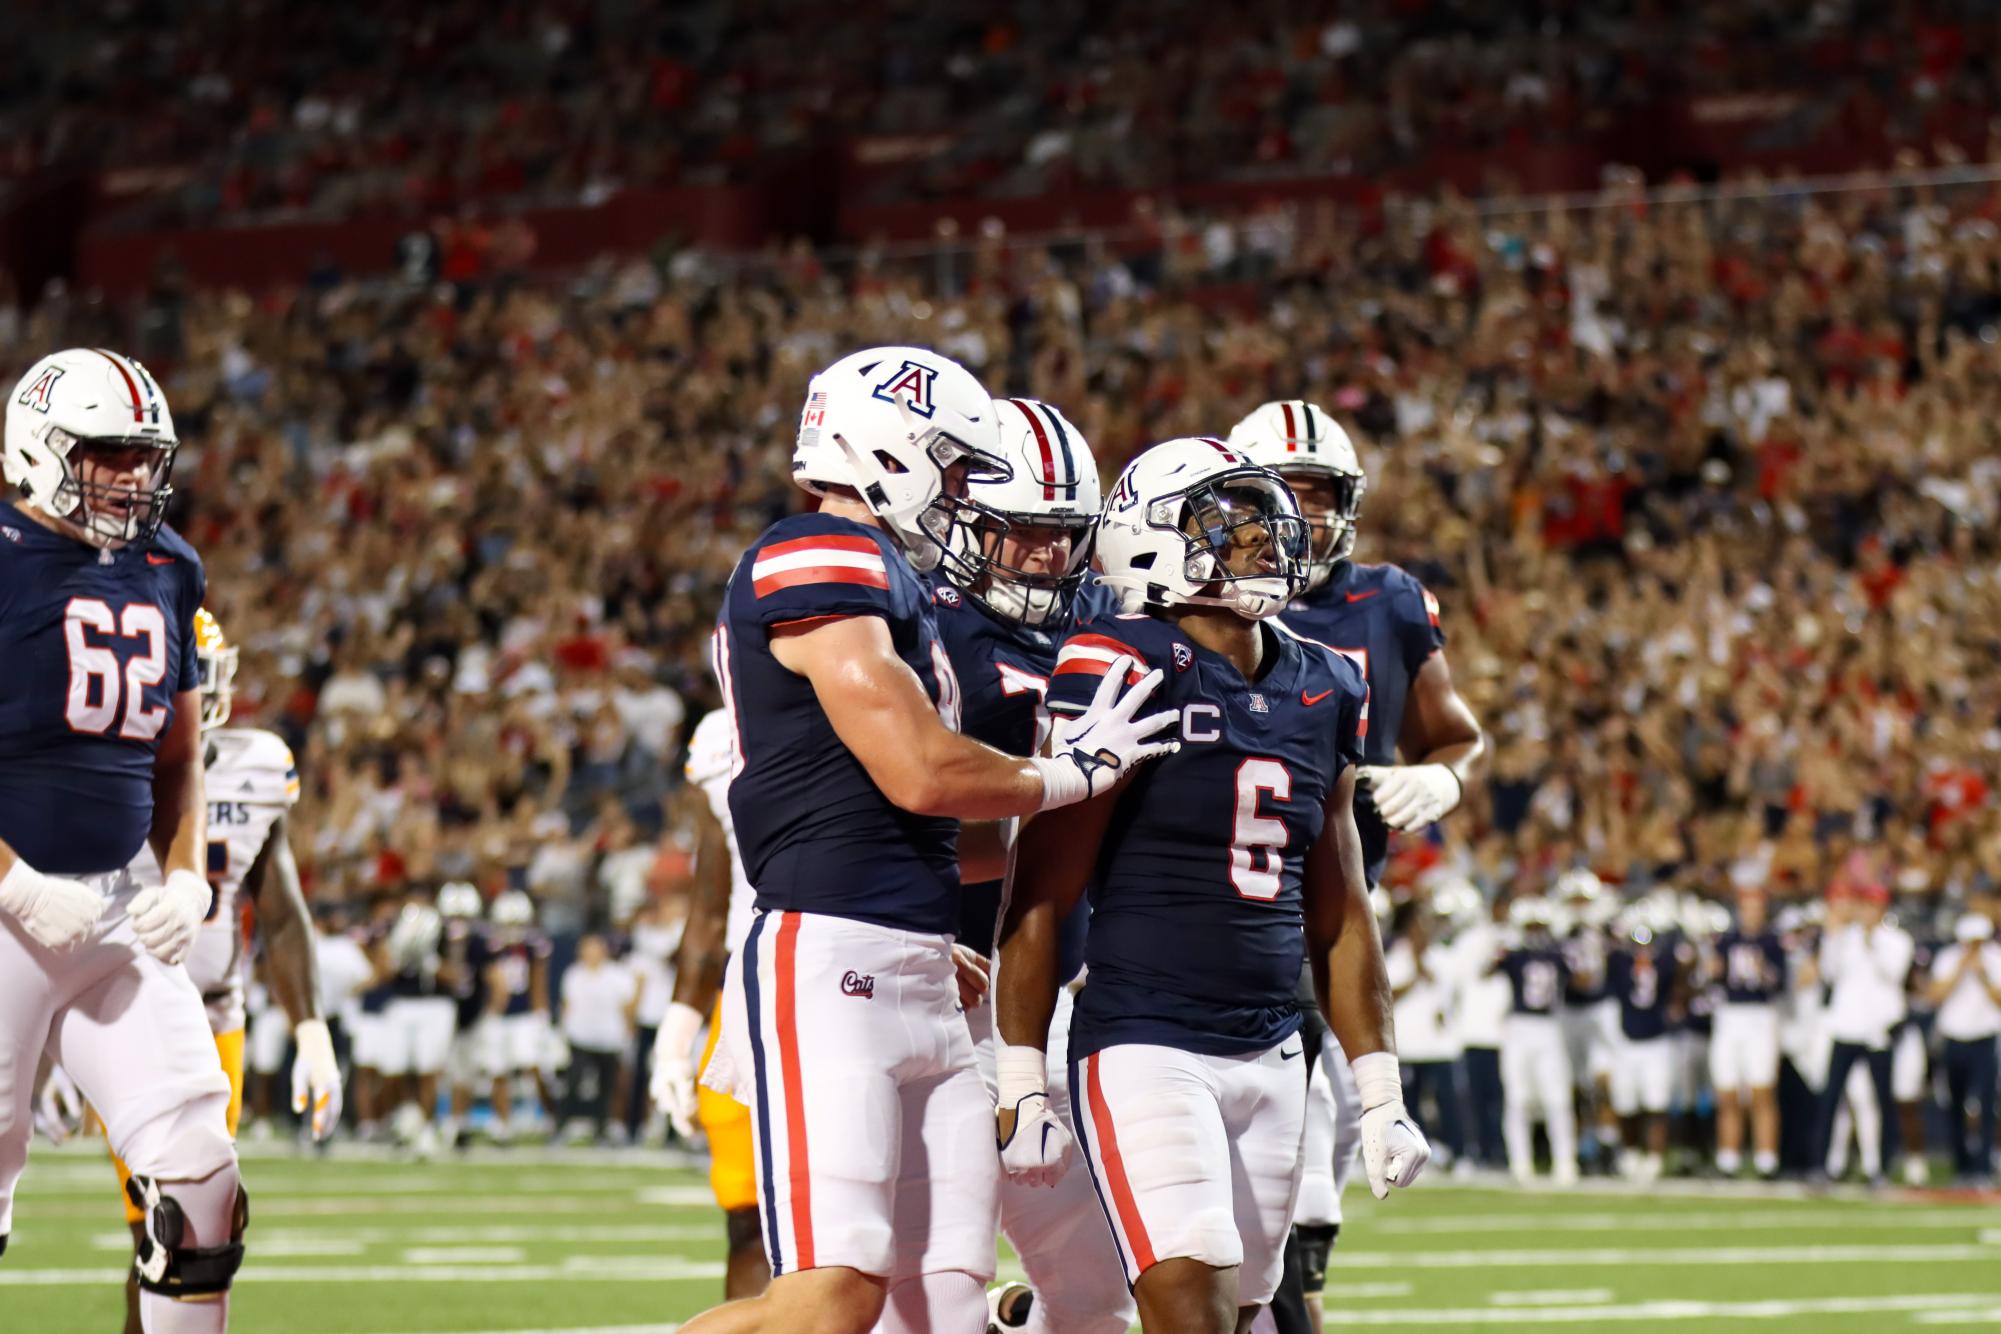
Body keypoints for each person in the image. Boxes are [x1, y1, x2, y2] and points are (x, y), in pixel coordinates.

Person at [682, 347, 1177, 1334]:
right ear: (889, 451)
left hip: (925, 972)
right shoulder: (814, 554)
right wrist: (1071, 772)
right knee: (829, 1298)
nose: (960, 494)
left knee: (943, 1307)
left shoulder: (889, 582)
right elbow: (921, 770)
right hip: (832, 956)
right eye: (952, 465)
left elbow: (955, 832)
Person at [997, 437, 1428, 1334]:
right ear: (1151, 538)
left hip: (1272, 1048)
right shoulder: (1119, 662)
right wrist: (1021, 1077)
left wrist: (1379, 1090)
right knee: (1184, 1305)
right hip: (1146, 1042)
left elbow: (1341, 905)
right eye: (1229, 518)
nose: (1264, 538)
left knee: (1238, 1315)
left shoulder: (1326, 680)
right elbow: (1044, 887)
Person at [0, 347, 248, 1332]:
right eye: (108, 455)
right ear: (41, 445)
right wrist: (14, 882)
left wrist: (185, 877)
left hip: (114, 905)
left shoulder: (168, 564)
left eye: (145, 457)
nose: (134, 478)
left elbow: (182, 753)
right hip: (6, 911)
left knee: (203, 1189)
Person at [1229, 400, 1482, 1331]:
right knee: (1269, 1172)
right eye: (1286, 493)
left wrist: (1442, 783)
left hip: (1340, 910)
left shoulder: (1386, 598)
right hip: (1228, 912)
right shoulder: (1195, 603)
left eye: (1321, 494)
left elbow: (1453, 735)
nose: (1307, 515)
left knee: (1326, 1162)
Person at [918, 397, 1133, 1334]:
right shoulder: (921, 623)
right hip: (940, 989)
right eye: (1024, 535)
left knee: (1096, 1293)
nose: (1050, 557)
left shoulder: (1104, 615)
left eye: (1063, 535)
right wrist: (1053, 785)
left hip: (1062, 992)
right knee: (923, 1281)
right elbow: (916, 811)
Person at [102, 607, 339, 1330]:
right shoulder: (97, 770)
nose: (196, 701)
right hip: (121, 1016)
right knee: (168, 1229)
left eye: (203, 681)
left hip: (214, 1016)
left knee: (200, 1232)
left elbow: (279, 907)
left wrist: (311, 1032)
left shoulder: (257, 765)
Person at [651, 707, 768, 1296]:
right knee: (748, 1220)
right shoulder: (722, 735)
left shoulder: (879, 689)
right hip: (750, 994)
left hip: (857, 978)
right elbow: (710, 902)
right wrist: (675, 1037)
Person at [1812, 880, 1913, 1184]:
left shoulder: (1897, 940)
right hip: (1845, 1028)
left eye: (1871, 905)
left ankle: (1878, 1167)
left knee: (1881, 1101)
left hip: (1878, 1032)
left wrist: (1872, 941)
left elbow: (1893, 974)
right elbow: (1829, 973)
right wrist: (1832, 938)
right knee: (1832, 1100)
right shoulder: (1844, 938)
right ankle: (1824, 1165)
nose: (1865, 911)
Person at [1493, 896, 1577, 1186]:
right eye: (1531, 926)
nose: (1535, 932)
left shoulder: (1557, 955)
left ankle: (1565, 1162)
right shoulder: (1515, 954)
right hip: (1520, 1026)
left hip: (1549, 1026)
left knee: (1557, 1098)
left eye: (1539, 926)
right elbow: (1487, 968)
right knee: (1518, 1098)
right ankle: (1521, 1163)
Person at [1708, 884, 1787, 1179]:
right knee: (1727, 1091)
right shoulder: (1726, 941)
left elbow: (1780, 983)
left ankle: (1767, 1159)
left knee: (1761, 1091)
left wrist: (1763, 968)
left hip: (1760, 1016)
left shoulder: (1772, 942)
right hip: (1730, 1015)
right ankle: (1727, 1158)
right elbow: (1712, 979)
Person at [1605, 911, 1684, 1183]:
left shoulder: (1666, 962)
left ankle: (1654, 1158)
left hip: (1656, 1041)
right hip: (1626, 1041)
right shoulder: (1618, 961)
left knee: (1656, 1103)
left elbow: (1681, 984)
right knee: (1626, 1104)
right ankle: (1629, 1154)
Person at [1928, 913, 2001, 1185]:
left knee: (1985, 1104)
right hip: (1953, 1037)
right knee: (1954, 1103)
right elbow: (1935, 996)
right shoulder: (1948, 958)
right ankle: (1961, 1167)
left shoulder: (1995, 958)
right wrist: (1961, 969)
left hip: (1984, 1038)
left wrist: (1981, 974)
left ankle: (1982, 1168)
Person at [480, 889, 556, 1142]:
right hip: (498, 1016)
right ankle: (503, 1124)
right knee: (498, 1071)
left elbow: (539, 981)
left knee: (535, 1067)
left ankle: (551, 1117)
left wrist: (542, 1015)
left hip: (525, 1015)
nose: (512, 929)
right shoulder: (490, 947)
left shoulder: (534, 946)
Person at [558, 933, 637, 1141]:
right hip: (580, 1037)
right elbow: (568, 1005)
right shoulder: (574, 974)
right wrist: (562, 1032)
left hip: (609, 1039)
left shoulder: (618, 975)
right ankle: (561, 1126)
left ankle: (602, 1129)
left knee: (607, 1087)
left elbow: (627, 1008)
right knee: (572, 1083)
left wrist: (628, 1031)